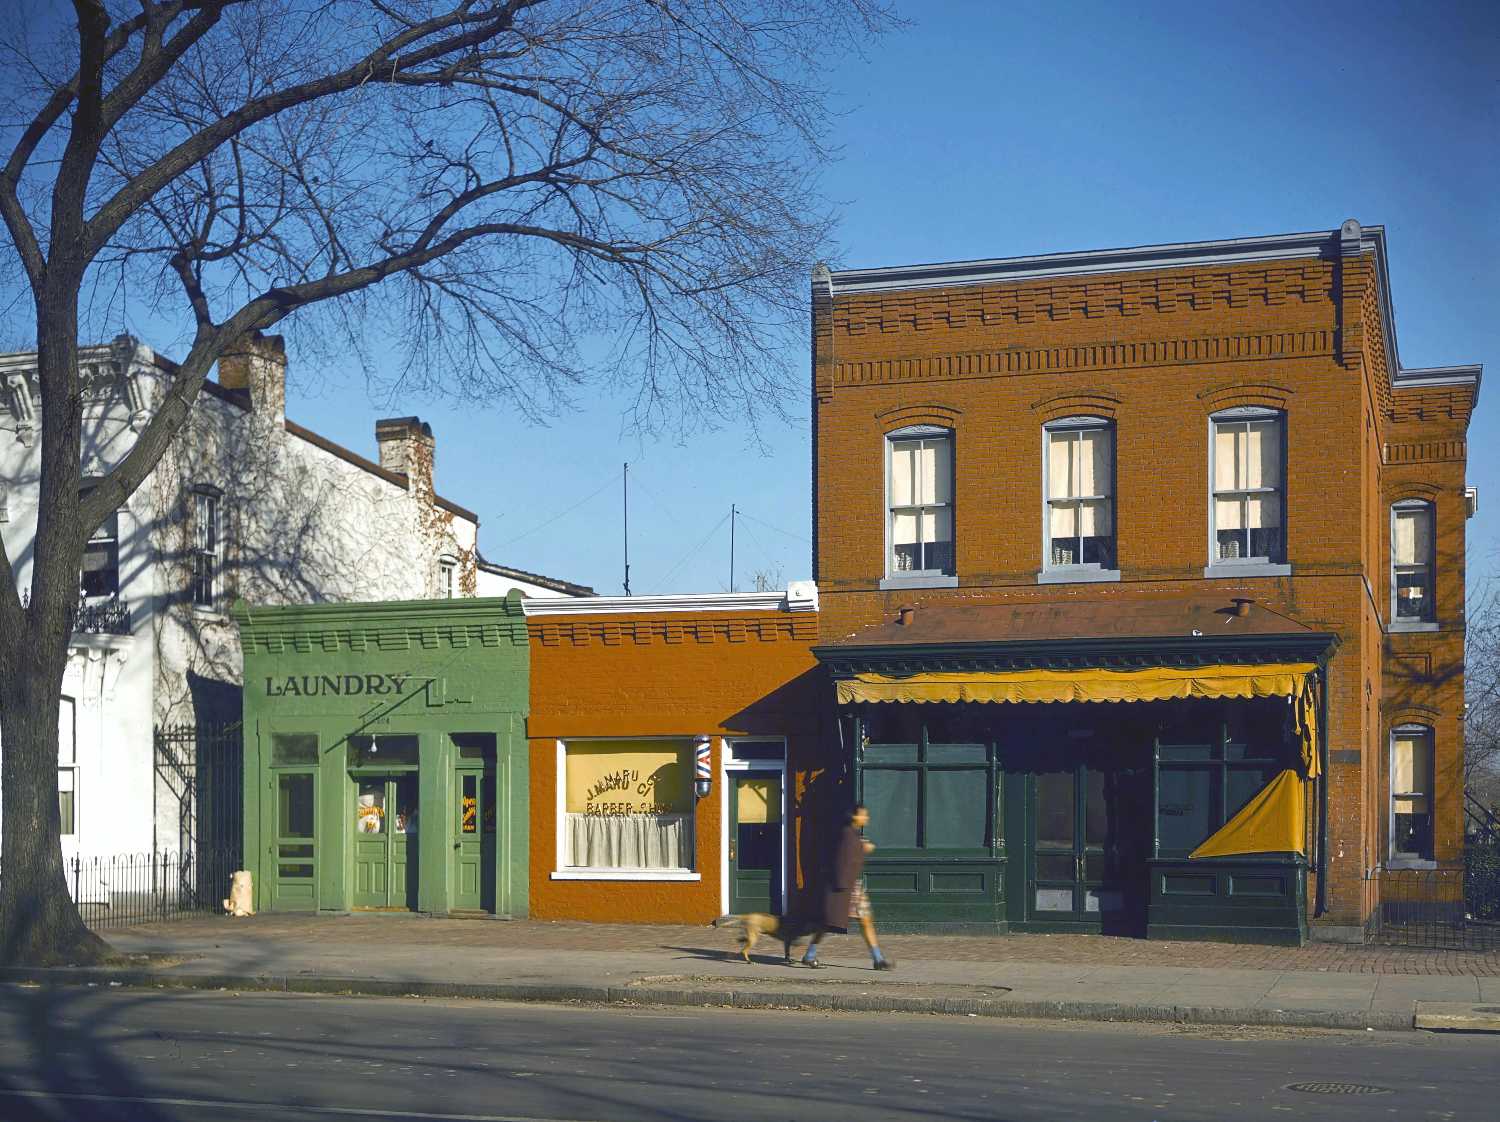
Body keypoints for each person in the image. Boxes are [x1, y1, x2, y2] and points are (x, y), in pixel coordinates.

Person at [803, 804, 894, 971]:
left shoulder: (850, 834)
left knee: (865, 921)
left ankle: (878, 959)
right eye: (863, 815)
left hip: (852, 886)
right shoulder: (846, 834)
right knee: (828, 923)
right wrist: (862, 848)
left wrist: (861, 848)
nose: (866, 818)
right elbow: (841, 859)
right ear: (854, 816)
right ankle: (809, 954)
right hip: (846, 888)